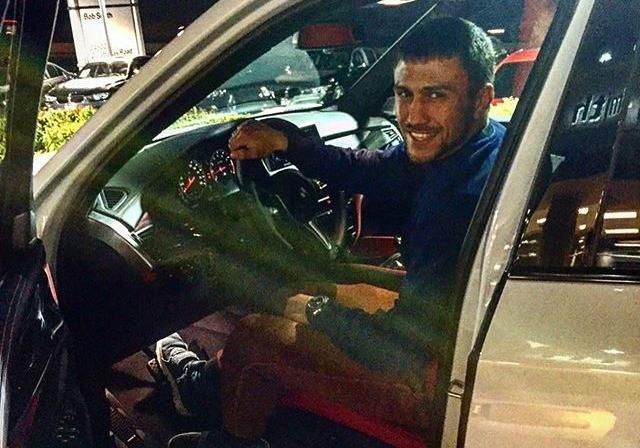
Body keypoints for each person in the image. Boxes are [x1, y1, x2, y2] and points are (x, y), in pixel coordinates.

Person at [159, 17, 505, 448]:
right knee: (319, 281)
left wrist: (317, 311)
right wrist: (291, 145)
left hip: (432, 379)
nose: (415, 116)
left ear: (481, 98)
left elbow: (400, 350)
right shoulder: (478, 146)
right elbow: (373, 168)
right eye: (405, 94)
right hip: (456, 318)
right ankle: (214, 382)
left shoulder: (459, 200)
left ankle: (225, 431)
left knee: (254, 334)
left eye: (436, 95)